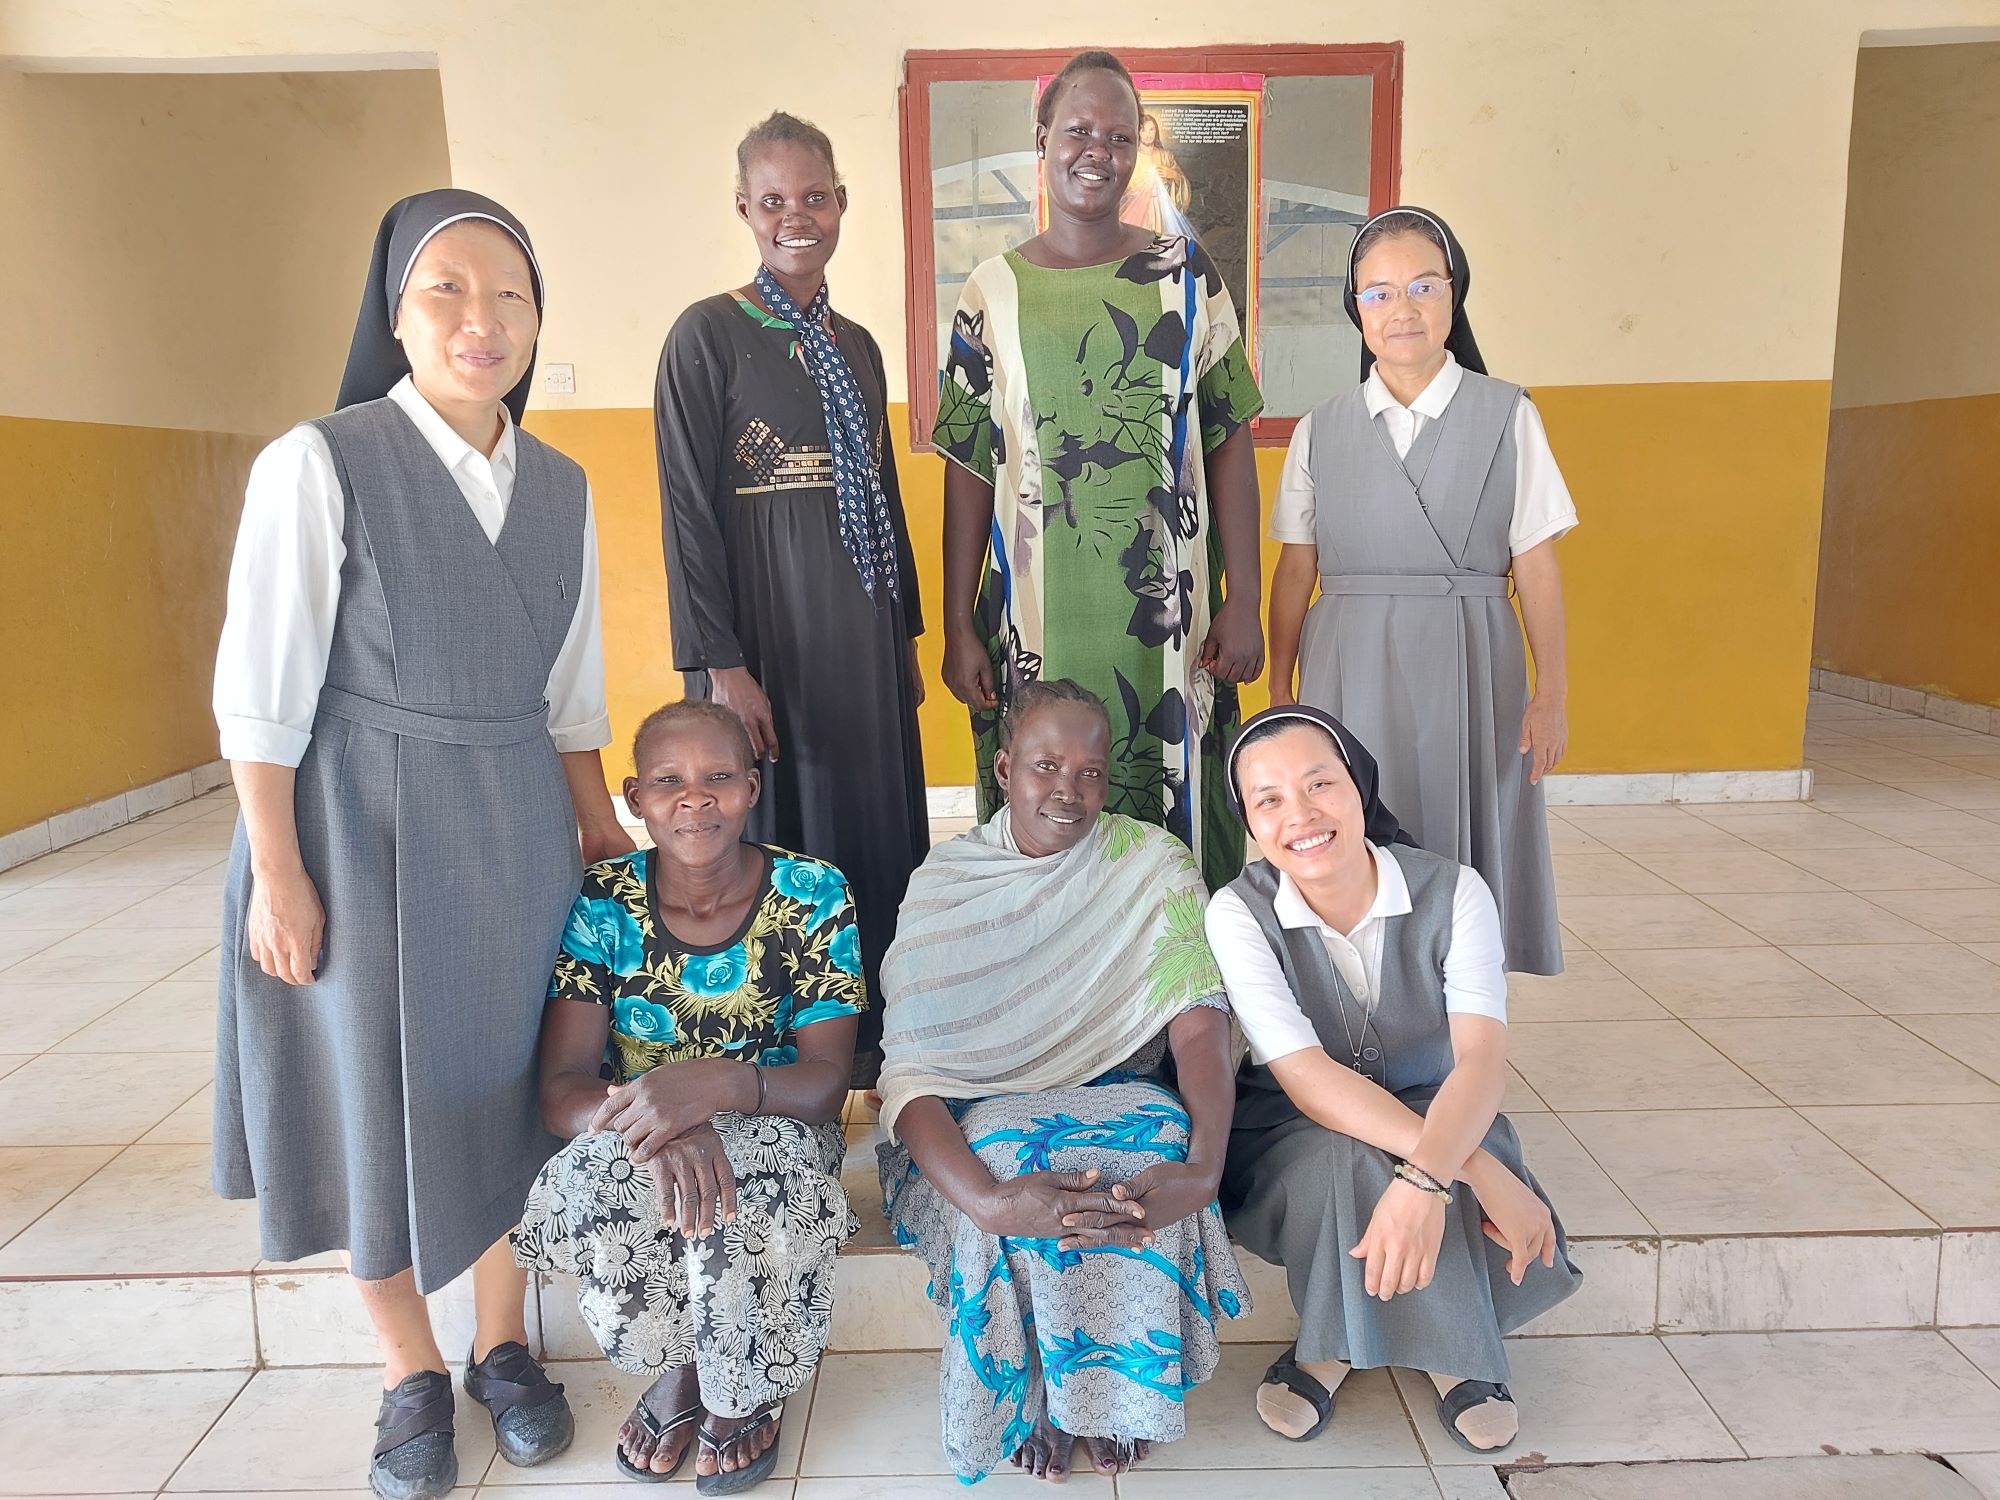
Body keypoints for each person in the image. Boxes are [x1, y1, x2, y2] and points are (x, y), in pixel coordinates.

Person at [211, 189, 635, 1498]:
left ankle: (502, 1343)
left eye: (510, 294)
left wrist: (600, 829)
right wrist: (277, 871)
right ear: (393, 314)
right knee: (369, 1092)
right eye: (446, 288)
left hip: (513, 824)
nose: (480, 319)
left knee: (508, 1083)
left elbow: (572, 696)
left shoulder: (559, 486)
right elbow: (259, 693)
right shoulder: (320, 463)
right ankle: (407, 1366)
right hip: (358, 825)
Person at [875, 679, 1250, 1484]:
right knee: (1014, 1158)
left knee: (1152, 1144)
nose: (1068, 791)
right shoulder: (948, 879)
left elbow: (1200, 1020)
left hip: (1122, 1079)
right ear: (1004, 769)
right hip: (981, 1105)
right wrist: (984, 1200)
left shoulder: (1151, 863)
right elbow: (910, 1078)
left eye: (1090, 773)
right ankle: (1037, 1388)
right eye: (1046, 766)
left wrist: (1205, 1166)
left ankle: (1115, 1390)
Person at [1204, 705, 1582, 1454]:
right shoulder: (1238, 912)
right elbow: (1308, 1079)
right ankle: (1425, 1348)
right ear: (1248, 821)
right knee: (1348, 1162)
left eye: (1320, 784)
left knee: (1435, 1150)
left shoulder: (1456, 891)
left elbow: (1480, 1060)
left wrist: (1427, 1175)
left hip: (1435, 1101)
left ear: (1359, 787)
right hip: (1290, 1123)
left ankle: (1353, 1346)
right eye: (1269, 799)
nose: (1300, 815)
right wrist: (1459, 1171)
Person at [936, 49, 1267, 892]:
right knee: (1045, 811)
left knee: (1177, 808)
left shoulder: (1187, 277)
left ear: (1138, 151)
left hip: (1172, 621)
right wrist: (957, 621)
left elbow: (1228, 441)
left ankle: (1180, 970)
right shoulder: (989, 293)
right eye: (1078, 131)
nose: (1098, 151)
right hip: (1032, 623)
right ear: (1042, 138)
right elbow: (969, 467)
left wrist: (1246, 599)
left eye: (1120, 137)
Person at [514, 700, 863, 1494]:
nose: (695, 799)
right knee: (602, 1177)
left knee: (756, 1179)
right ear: (635, 797)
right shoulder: (602, 902)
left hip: (777, 1119)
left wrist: (722, 1086)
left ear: (751, 789)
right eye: (669, 781)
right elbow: (561, 1092)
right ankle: (679, 1364)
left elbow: (825, 1082)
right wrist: (660, 1120)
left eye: (718, 778)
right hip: (639, 1123)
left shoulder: (813, 891)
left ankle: (742, 1387)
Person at [655, 111, 927, 1084]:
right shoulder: (707, 336)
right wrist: (721, 667)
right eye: (773, 200)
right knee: (777, 837)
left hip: (860, 637)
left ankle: (878, 1046)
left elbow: (883, 495)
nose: (795, 216)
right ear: (744, 209)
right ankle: (781, 1060)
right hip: (764, 644)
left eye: (813, 197)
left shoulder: (857, 345)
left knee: (874, 830)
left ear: (841, 204)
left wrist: (902, 638)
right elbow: (687, 512)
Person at [1265, 206, 1577, 974]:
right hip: (1348, 662)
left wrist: (1552, 693)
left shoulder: (1509, 416)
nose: (1401, 309)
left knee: (1457, 837)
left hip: (1472, 658)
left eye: (1423, 286)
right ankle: (1356, 1002)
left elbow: (1536, 564)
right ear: (1356, 307)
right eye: (1378, 293)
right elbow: (1296, 570)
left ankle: (1459, 1009)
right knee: (1346, 830)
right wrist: (1279, 690)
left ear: (1453, 295)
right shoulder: (1320, 429)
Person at [1120, 112, 1194, 238]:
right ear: (1138, 132)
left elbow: (1183, 186)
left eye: (1152, 129)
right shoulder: (1131, 157)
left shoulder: (1165, 156)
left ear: (1156, 131)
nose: (1148, 135)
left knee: (1164, 243)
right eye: (1143, 130)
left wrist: (1173, 175)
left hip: (1164, 213)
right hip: (1138, 212)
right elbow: (1122, 188)